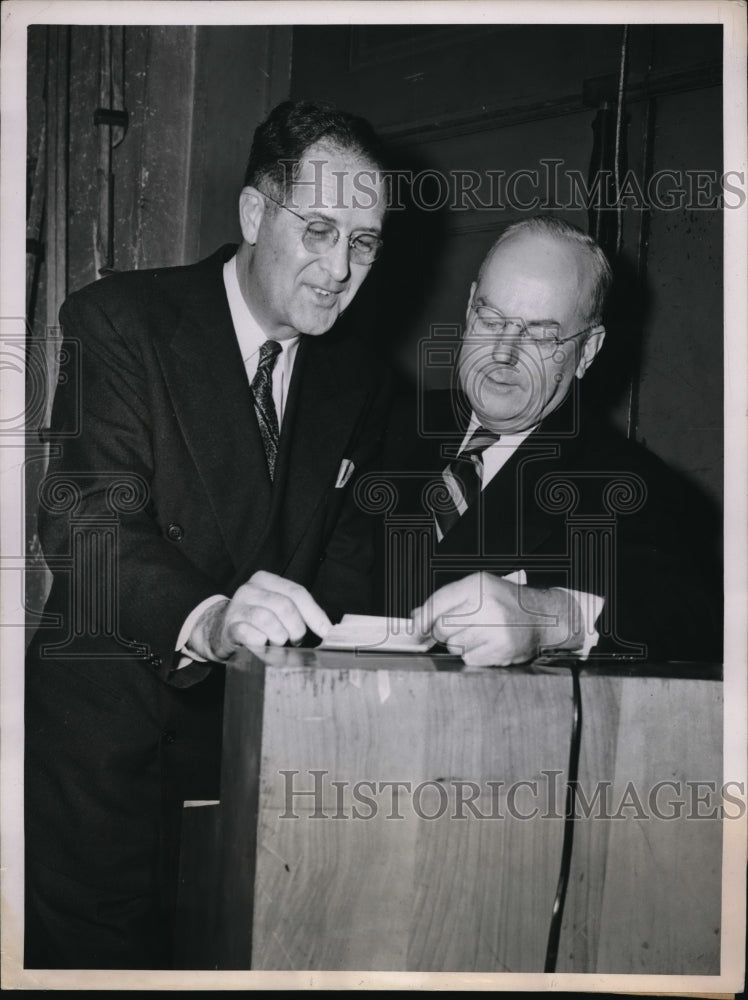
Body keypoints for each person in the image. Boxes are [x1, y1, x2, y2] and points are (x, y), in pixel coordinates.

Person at [25, 100, 391, 969]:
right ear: (255, 214)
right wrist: (213, 615)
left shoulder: (365, 381)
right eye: (320, 231)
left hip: (261, 778)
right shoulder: (120, 321)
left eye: (366, 243)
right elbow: (85, 519)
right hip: (110, 772)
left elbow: (347, 572)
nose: (340, 269)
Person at [376, 216, 721, 667]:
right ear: (468, 310)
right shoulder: (382, 422)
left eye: (539, 335)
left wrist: (547, 618)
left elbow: (692, 623)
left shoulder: (634, 484)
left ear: (588, 352)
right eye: (491, 318)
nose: (503, 353)